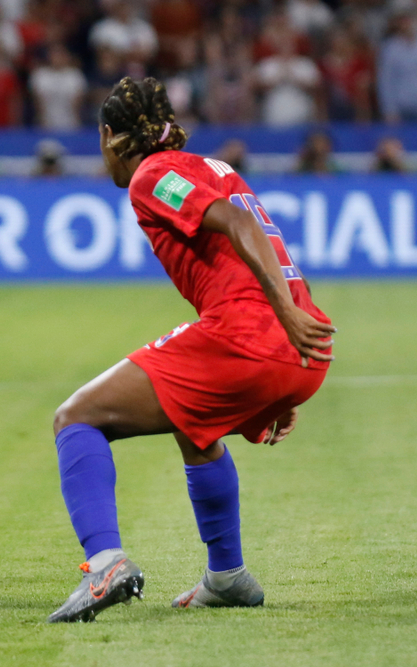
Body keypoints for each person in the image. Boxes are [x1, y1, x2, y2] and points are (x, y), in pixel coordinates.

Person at [47, 76, 335, 623]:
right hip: (295, 350)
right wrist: (288, 350)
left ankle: (106, 563)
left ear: (110, 135)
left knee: (75, 418)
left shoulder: (152, 175)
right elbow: (270, 241)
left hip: (255, 334)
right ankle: (226, 576)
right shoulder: (212, 167)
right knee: (191, 421)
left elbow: (239, 224)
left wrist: (279, 327)